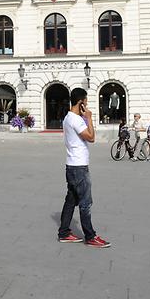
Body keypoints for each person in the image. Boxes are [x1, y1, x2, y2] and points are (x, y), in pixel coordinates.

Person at [57, 87, 110, 248]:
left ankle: (64, 232)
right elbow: (91, 137)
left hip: (71, 165)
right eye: (86, 102)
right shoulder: (77, 120)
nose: (87, 105)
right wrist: (89, 118)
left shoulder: (67, 118)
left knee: (71, 200)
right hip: (79, 167)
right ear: (81, 102)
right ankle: (90, 236)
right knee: (85, 202)